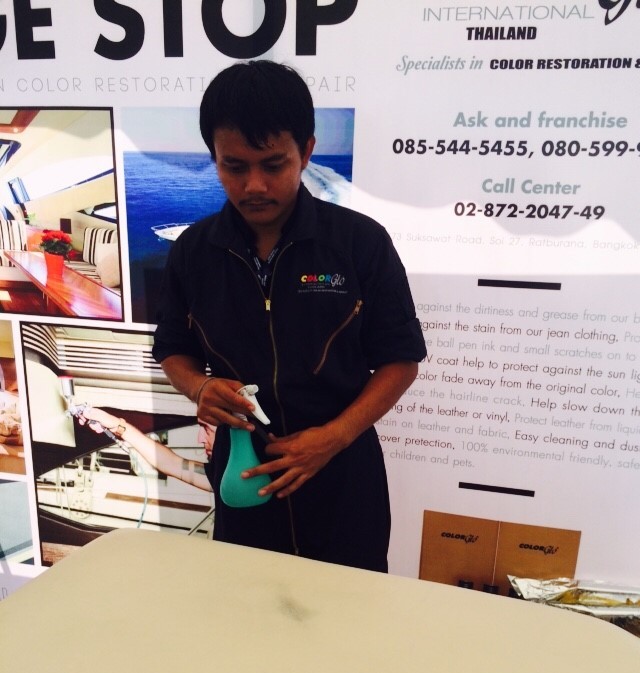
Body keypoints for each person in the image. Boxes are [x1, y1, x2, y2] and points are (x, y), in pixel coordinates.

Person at [152, 60, 427, 572]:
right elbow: (171, 348)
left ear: (307, 151)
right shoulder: (193, 250)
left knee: (351, 612)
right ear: (214, 158)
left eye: (273, 164)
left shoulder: (360, 243)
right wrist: (198, 387)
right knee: (247, 607)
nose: (254, 185)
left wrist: (333, 439)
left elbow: (401, 360)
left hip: (344, 479)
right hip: (242, 474)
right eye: (235, 167)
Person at [76, 406, 214, 492]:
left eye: (207, 429)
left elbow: (171, 464)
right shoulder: (218, 477)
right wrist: (117, 426)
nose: (200, 439)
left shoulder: (223, 479)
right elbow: (170, 463)